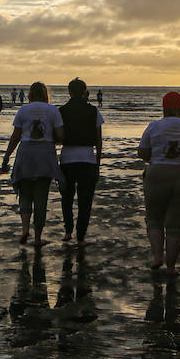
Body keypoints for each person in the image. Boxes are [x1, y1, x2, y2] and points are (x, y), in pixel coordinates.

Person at [138, 91, 180, 272]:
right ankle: (172, 266)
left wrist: (157, 156)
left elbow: (142, 153)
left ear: (164, 107)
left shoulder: (154, 126)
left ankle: (158, 257)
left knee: (154, 218)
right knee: (176, 223)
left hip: (158, 172)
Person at [0, 82, 65, 246]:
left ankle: (24, 229)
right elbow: (61, 136)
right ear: (45, 94)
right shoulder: (53, 110)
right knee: (41, 198)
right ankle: (37, 238)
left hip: (26, 153)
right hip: (45, 155)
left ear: (30, 94)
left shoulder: (23, 110)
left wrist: (6, 156)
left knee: (25, 193)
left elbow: (15, 137)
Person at [58, 78, 103, 245]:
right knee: (85, 200)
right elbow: (99, 140)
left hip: (68, 157)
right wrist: (98, 163)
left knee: (67, 197)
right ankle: (81, 235)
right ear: (85, 91)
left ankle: (68, 230)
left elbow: (58, 135)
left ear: (69, 92)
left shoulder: (62, 111)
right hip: (87, 158)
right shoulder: (93, 111)